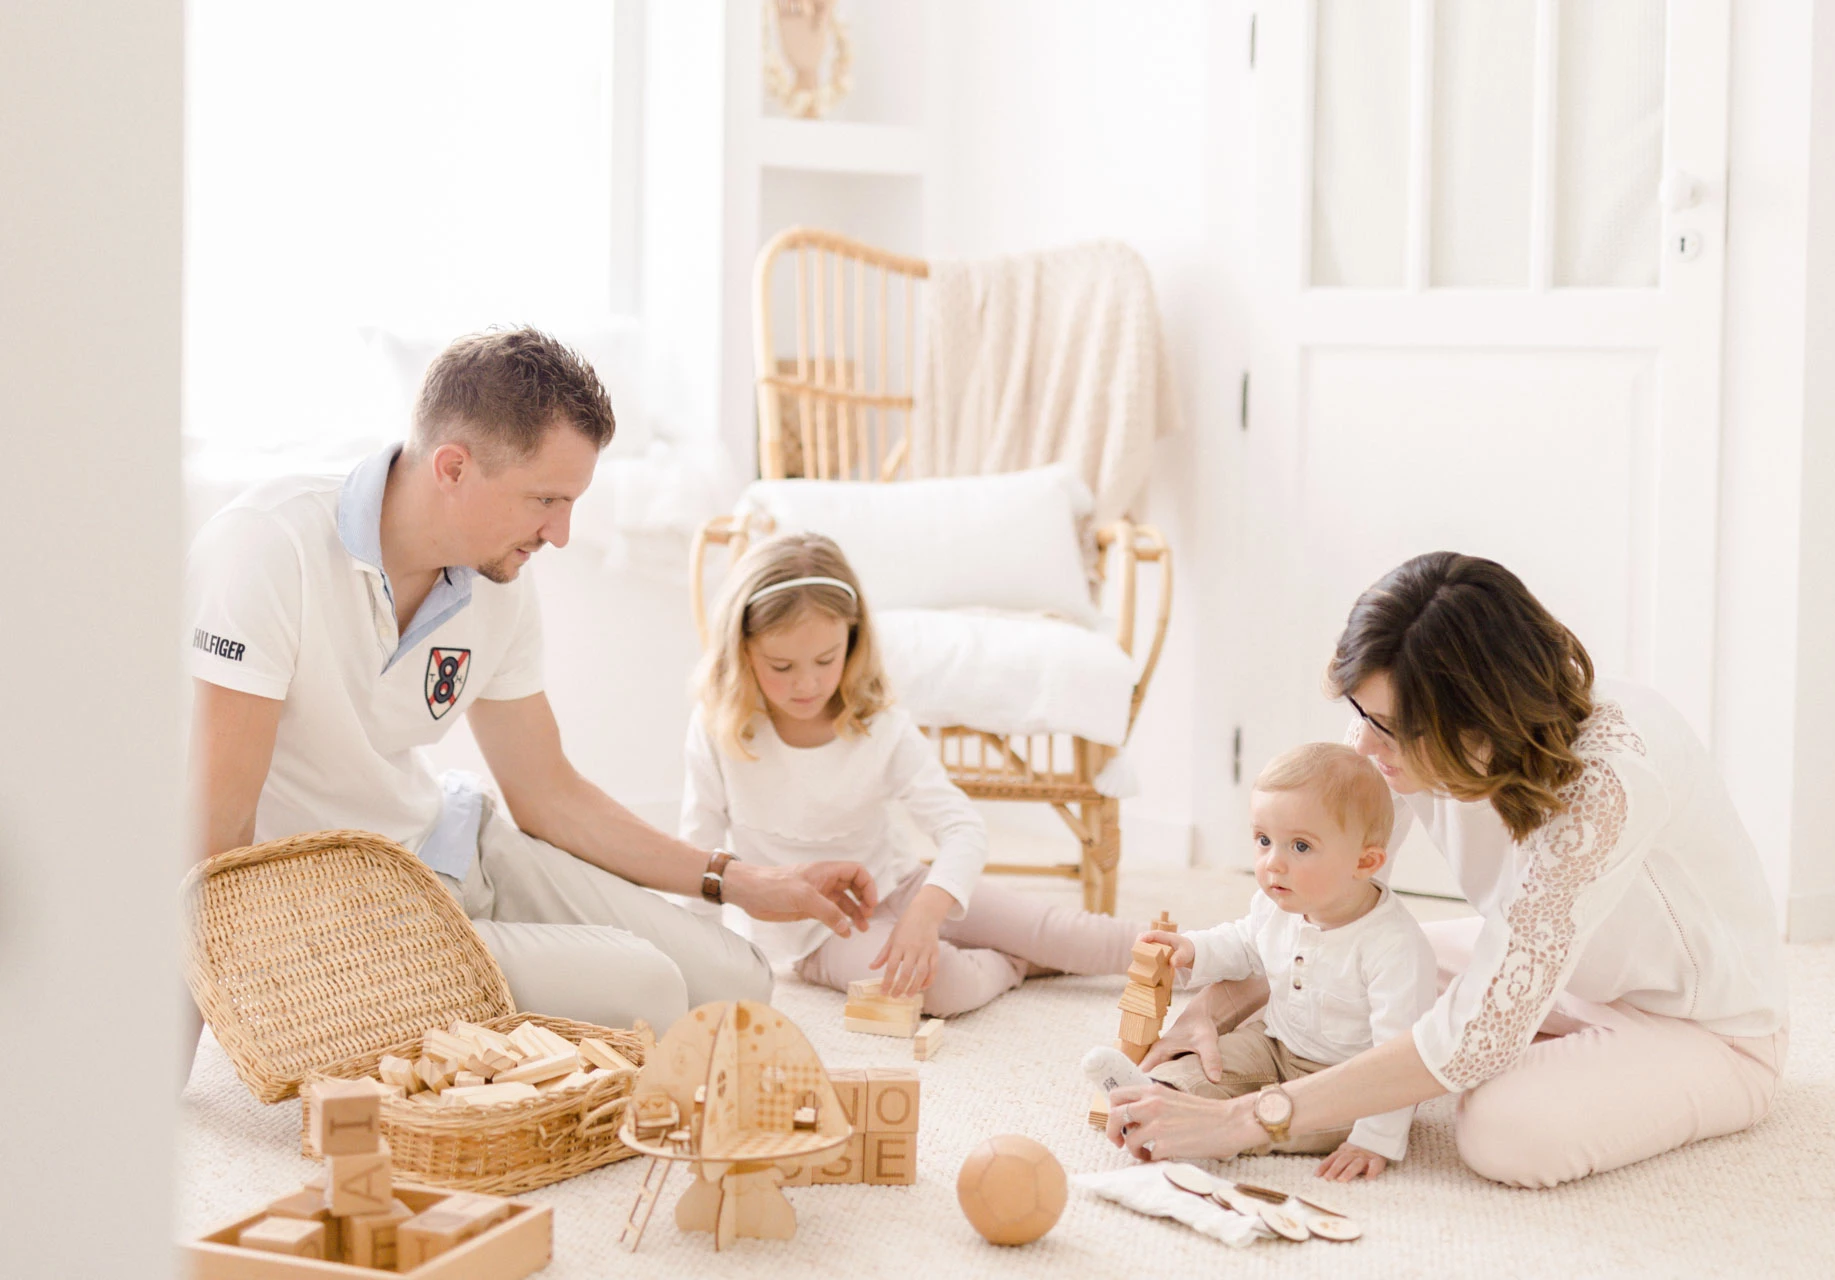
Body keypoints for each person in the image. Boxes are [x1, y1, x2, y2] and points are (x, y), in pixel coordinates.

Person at [186, 329, 876, 1037]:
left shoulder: (497, 579)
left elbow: (547, 793)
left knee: (740, 986)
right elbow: (217, 829)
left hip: (455, 844)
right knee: (648, 993)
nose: (562, 533)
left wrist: (749, 880)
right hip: (353, 912)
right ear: (452, 467)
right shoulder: (269, 546)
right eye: (545, 499)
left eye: (572, 501)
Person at [1108, 552, 1788, 1189]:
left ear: (1481, 721)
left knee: (1503, 1131)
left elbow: (1475, 1035)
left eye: (1389, 726)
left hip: (1700, 1027)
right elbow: (1326, 894)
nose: (1366, 746)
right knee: (1362, 965)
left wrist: (1245, 1118)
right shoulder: (1396, 730)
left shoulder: (1610, 779)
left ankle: (1594, 1066)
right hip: (1551, 970)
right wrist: (1212, 1009)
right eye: (1361, 715)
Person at [681, 531, 1143, 1014]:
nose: (808, 683)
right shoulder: (719, 730)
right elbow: (698, 852)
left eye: (826, 659)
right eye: (782, 665)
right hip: (817, 934)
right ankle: (1017, 965)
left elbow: (962, 828)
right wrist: (693, 959)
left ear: (853, 641)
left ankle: (1209, 953)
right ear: (743, 652)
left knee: (1058, 931)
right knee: (937, 986)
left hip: (901, 886)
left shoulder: (878, 724)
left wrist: (926, 911)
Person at [1135, 742, 1435, 1181]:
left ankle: (1232, 1133)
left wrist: (1376, 1138)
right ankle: (1164, 1097)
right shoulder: (1276, 905)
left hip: (1347, 1081)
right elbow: (1242, 941)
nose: (1273, 863)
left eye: (1299, 846)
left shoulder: (1394, 948)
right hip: (1273, 1044)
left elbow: (1398, 1058)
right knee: (1199, 1069)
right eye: (1263, 840)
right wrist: (1194, 949)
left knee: (1295, 1124)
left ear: (1365, 861)